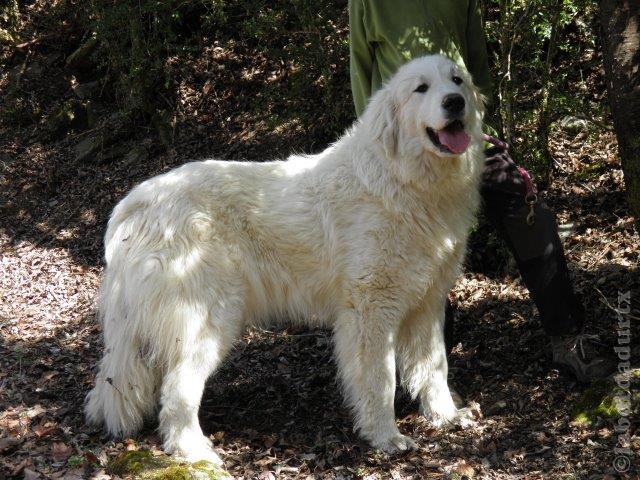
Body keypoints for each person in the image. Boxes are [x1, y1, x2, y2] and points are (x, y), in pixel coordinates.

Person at [348, 0, 611, 382]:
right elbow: (362, 71)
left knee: (524, 208)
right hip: (403, 152)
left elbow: (475, 67)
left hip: (465, 138)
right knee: (414, 244)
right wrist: (377, 148)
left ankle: (569, 340)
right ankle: (424, 370)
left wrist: (475, 126)